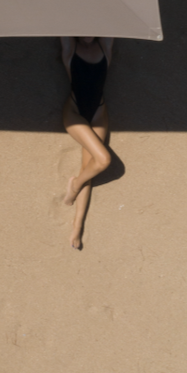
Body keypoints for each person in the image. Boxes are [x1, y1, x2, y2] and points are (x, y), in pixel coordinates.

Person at [60, 36, 114, 250]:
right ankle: (74, 187)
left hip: (99, 114)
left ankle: (77, 225)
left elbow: (111, 28)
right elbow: (62, 28)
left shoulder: (105, 45)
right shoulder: (69, 49)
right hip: (74, 112)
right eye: (84, 30)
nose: (88, 35)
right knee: (103, 160)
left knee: (88, 169)